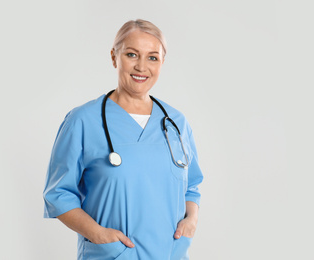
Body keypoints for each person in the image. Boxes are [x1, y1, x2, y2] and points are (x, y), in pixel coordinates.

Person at [43, 19, 204, 260]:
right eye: (131, 54)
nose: (142, 67)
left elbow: (191, 187)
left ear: (162, 62)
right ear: (114, 57)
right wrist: (97, 234)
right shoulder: (83, 121)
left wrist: (191, 220)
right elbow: (59, 194)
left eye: (152, 57)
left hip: (170, 253)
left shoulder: (176, 123)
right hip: (112, 255)